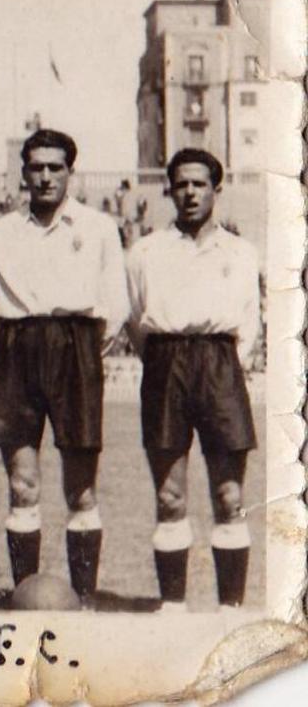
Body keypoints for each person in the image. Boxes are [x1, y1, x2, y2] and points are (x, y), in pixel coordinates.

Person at [0, 128, 127, 602]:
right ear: (23, 172)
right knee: (22, 485)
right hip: (17, 349)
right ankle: (25, 596)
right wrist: (17, 343)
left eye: (54, 168)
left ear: (70, 173)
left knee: (81, 490)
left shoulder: (98, 228)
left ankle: (84, 599)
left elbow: (116, 307)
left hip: (76, 348)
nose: (45, 177)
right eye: (36, 167)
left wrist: (80, 352)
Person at [126, 149, 261, 612]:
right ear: (169, 189)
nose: (189, 193)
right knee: (170, 496)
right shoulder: (145, 252)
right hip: (165, 365)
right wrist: (166, 361)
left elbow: (249, 324)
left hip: (220, 366)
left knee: (229, 496)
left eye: (199, 184)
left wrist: (220, 366)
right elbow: (135, 321)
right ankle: (173, 611)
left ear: (216, 190)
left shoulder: (241, 253)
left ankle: (230, 612)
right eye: (181, 184)